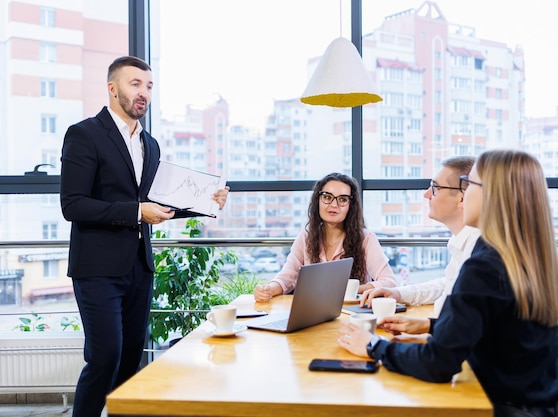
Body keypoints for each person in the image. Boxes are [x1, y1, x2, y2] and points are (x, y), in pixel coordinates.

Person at [338, 149, 558, 416]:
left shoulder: (485, 265)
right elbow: (503, 329)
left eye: (470, 183)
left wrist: (372, 345)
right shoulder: (526, 256)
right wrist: (436, 327)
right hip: (549, 406)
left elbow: (439, 365)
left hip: (505, 409)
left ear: (492, 195)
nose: (465, 193)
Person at [60, 56, 229, 417]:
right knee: (105, 357)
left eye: (149, 86)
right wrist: (137, 212)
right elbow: (73, 205)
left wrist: (206, 203)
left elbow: (159, 204)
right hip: (97, 269)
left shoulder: (150, 145)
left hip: (139, 267)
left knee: (130, 360)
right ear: (112, 88)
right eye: (135, 83)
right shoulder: (85, 134)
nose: (144, 93)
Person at [360, 156, 479, 317]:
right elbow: (448, 285)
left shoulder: (478, 250)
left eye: (435, 187)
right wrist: (399, 294)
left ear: (461, 198)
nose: (426, 194)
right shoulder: (464, 241)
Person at [253, 172, 396, 301]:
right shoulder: (305, 237)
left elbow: (389, 282)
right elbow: (286, 278)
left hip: (352, 315)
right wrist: (269, 289)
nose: (334, 205)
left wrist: (353, 290)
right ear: (318, 201)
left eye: (342, 199)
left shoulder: (366, 238)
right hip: (312, 312)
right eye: (327, 197)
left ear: (350, 206)